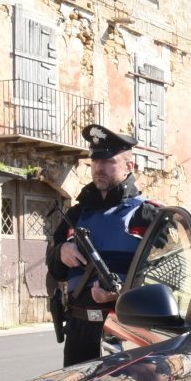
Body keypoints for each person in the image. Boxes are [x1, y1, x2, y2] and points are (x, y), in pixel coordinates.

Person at [46, 124, 161, 366]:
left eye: (108, 161)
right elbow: (54, 270)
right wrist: (61, 252)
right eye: (95, 162)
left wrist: (122, 294)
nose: (99, 168)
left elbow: (171, 277)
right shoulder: (76, 215)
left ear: (129, 167)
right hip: (79, 333)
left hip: (125, 333)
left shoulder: (148, 215)